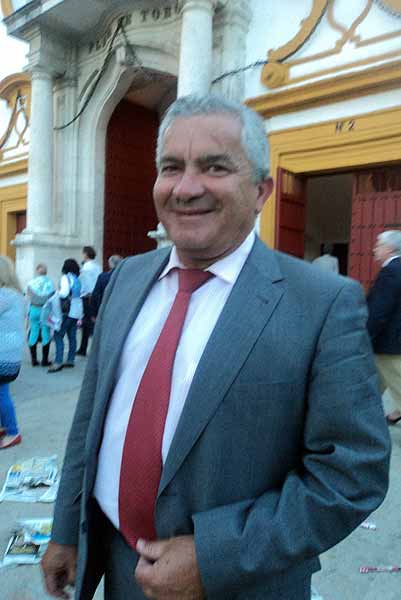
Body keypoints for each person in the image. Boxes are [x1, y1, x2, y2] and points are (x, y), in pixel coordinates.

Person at [41, 95, 390, 600]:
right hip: (117, 570)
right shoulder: (125, 280)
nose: (186, 187)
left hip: (238, 584)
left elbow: (352, 472)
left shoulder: (322, 304)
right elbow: (88, 423)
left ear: (261, 191)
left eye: (214, 166)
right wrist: (64, 529)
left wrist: (216, 556)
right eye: (171, 167)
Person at [367, 230, 401, 425]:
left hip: (388, 344)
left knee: (396, 384)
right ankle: (363, 420)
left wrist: (365, 335)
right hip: (390, 342)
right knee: (371, 387)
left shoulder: (391, 271)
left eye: (378, 245)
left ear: (389, 249)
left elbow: (379, 310)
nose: (374, 249)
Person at [0, 256, 24, 449]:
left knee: (2, 393)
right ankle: (6, 426)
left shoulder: (5, 295)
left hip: (3, 357)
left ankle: (13, 431)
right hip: (11, 356)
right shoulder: (16, 294)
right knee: (2, 392)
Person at [48, 259, 83, 373]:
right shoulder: (77, 278)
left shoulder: (65, 277)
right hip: (77, 310)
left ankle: (58, 362)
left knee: (58, 335)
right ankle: (70, 360)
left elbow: (64, 293)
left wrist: (56, 292)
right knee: (72, 335)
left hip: (67, 310)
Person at [27, 263, 55, 367]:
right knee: (45, 333)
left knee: (33, 332)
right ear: (46, 272)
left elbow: (28, 296)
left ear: (37, 271)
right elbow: (52, 297)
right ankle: (44, 360)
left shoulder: (31, 283)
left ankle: (34, 360)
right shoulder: (50, 283)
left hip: (34, 309)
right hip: (45, 310)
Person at [76, 246, 101, 357]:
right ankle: (87, 347)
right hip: (97, 295)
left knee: (86, 323)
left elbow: (85, 283)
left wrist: (82, 294)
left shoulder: (86, 267)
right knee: (93, 321)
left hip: (87, 296)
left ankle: (83, 348)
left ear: (86, 254)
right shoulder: (97, 266)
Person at [90, 255, 123, 319]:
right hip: (121, 310)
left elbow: (95, 295)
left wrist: (94, 314)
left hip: (105, 310)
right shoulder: (125, 277)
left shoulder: (103, 277)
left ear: (110, 264)